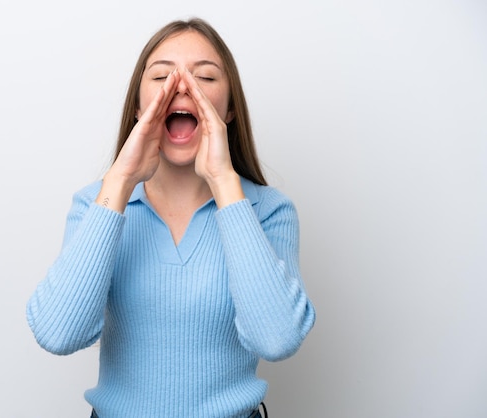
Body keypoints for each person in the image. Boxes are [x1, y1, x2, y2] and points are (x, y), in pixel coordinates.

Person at [26, 17, 316, 418]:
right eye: (162, 75)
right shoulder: (95, 204)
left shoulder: (269, 211)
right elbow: (58, 333)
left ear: (229, 109)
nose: (182, 86)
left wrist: (224, 182)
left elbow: (278, 339)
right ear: (139, 108)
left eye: (205, 78)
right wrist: (122, 181)